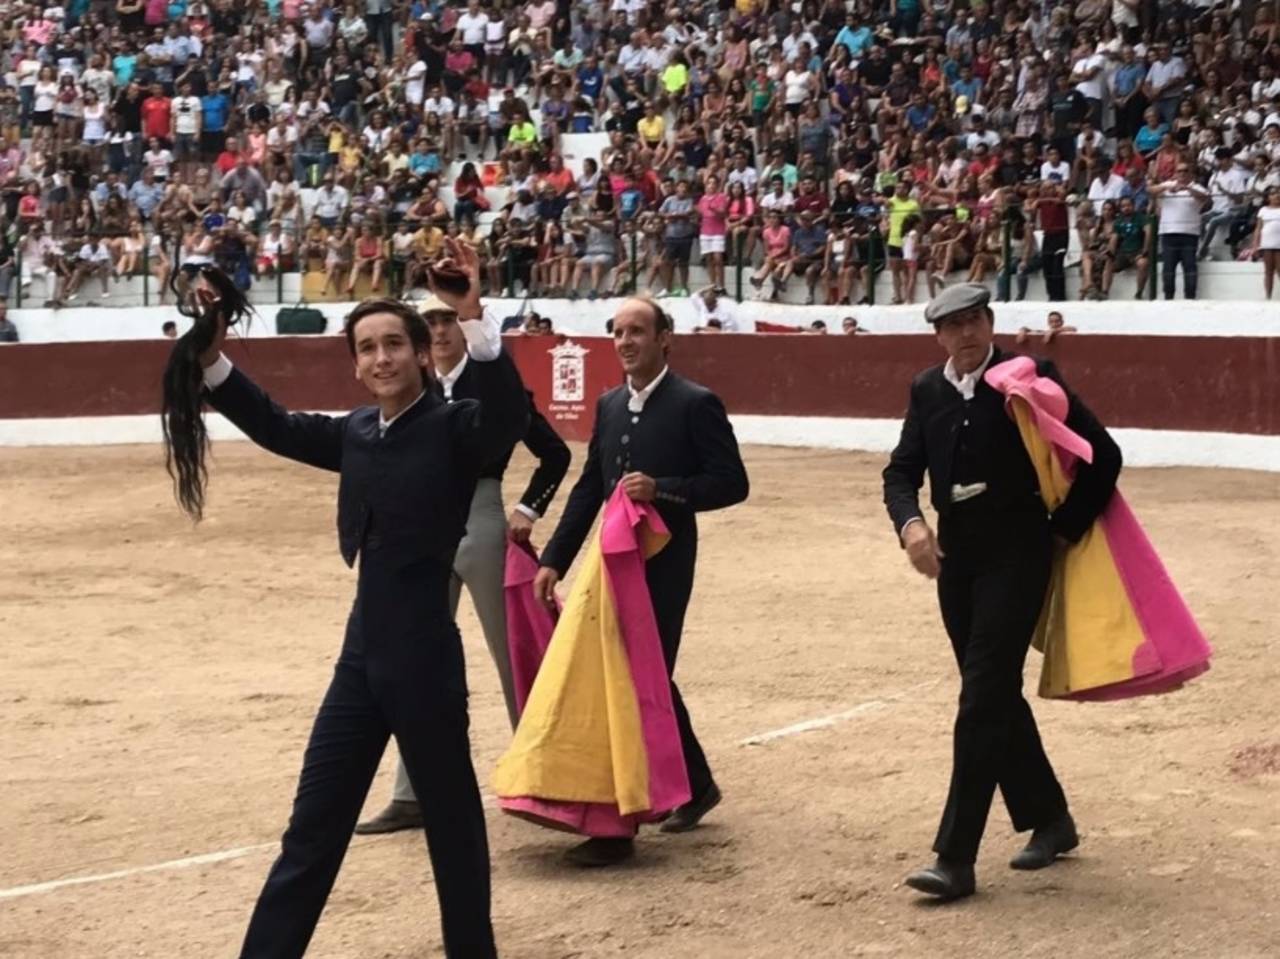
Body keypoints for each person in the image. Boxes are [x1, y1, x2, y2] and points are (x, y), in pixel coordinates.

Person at [192, 242, 526, 957]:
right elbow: (279, 425)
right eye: (367, 348)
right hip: (360, 662)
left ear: (419, 354)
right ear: (354, 362)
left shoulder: (456, 425)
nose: (381, 358)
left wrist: (472, 318)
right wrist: (214, 360)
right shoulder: (356, 432)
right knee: (312, 828)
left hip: (425, 662)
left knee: (453, 829)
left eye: (394, 345)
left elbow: (503, 419)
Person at [882, 283, 1121, 901]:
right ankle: (1051, 819)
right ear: (937, 335)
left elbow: (1103, 454)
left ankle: (954, 858)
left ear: (990, 323)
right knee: (991, 693)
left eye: (973, 321)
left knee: (982, 694)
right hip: (956, 561)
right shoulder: (927, 388)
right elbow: (901, 469)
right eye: (951, 325)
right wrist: (910, 524)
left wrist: (1060, 532)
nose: (964, 333)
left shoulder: (1028, 375)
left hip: (1017, 556)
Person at [532, 297, 749, 867]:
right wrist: (554, 556)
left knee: (643, 672)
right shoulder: (607, 405)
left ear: (665, 339)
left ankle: (635, 804)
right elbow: (589, 488)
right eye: (618, 333)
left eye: (637, 331)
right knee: (635, 672)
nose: (625, 341)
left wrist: (665, 489)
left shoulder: (695, 403)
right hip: (613, 558)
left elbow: (731, 483)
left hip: (666, 559)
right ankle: (692, 785)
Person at [357, 304, 572, 835]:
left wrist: (528, 508)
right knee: (415, 657)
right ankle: (412, 794)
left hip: (481, 519)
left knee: (513, 654)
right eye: (428, 328)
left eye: (447, 324)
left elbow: (555, 454)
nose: (439, 335)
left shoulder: (490, 380)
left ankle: (548, 778)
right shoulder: (416, 390)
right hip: (423, 524)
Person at [1149, 161, 1210, 300]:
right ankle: (1168, 297)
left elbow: (1205, 198)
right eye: (1179, 171)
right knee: (1168, 269)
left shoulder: (1197, 187)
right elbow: (1150, 190)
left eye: (1185, 171)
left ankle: (1190, 297)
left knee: (1190, 268)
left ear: (1190, 173)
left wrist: (1187, 189)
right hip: (1168, 232)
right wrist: (1167, 189)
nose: (1182, 173)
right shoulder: (1168, 185)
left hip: (1190, 233)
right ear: (1175, 173)